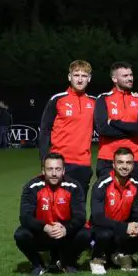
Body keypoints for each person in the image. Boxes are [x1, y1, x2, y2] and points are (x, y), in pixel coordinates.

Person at [14, 153, 89, 276]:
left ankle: (67, 263)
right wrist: (45, 227)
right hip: (42, 232)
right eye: (50, 169)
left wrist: (66, 229)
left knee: (86, 234)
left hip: (65, 234)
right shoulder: (32, 187)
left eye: (58, 169)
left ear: (63, 170)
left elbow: (80, 216)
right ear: (43, 170)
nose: (54, 173)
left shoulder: (74, 186)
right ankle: (38, 264)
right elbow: (25, 217)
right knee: (20, 234)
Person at [89, 148, 138, 274]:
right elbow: (97, 217)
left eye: (128, 163)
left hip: (122, 228)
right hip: (102, 228)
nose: (124, 166)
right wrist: (124, 227)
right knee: (105, 234)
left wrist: (136, 225)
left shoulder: (135, 185)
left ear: (133, 165)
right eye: (120, 162)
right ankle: (96, 258)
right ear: (114, 164)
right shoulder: (102, 184)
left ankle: (121, 253)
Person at [39, 60, 97, 195]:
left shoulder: (94, 102)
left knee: (79, 208)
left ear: (89, 78)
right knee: (57, 205)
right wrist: (44, 160)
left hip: (83, 163)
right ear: (69, 77)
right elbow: (45, 130)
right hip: (59, 162)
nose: (80, 79)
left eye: (84, 76)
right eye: (76, 75)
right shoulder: (57, 99)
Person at [94, 61, 138, 181]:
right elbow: (102, 129)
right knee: (107, 198)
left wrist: (114, 123)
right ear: (114, 78)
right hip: (108, 158)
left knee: (134, 199)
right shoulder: (103, 98)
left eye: (131, 75)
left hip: (134, 159)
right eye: (125, 76)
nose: (130, 79)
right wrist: (132, 130)